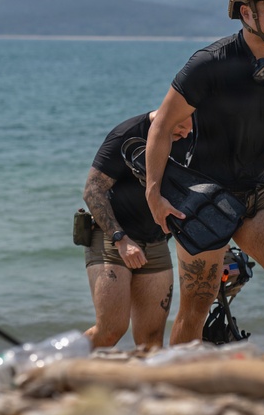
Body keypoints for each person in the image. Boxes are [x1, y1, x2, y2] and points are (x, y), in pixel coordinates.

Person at [145, 0, 264, 347]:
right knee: (196, 306)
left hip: (258, 192)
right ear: (245, 12)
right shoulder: (210, 63)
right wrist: (154, 193)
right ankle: (180, 377)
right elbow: (163, 126)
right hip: (203, 196)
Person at [82, 111, 195, 349]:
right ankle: (57, 361)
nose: (186, 134)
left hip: (155, 242)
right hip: (113, 237)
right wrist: (120, 239)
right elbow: (92, 190)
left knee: (151, 340)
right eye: (181, 128)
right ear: (169, 110)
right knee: (110, 331)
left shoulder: (190, 137)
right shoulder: (128, 134)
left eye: (190, 129)